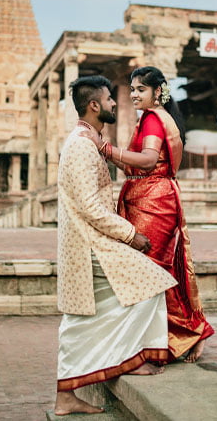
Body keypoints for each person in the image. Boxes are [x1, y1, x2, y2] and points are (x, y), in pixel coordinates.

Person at [55, 75, 177, 416]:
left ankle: (109, 368)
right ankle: (128, 360)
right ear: (94, 105)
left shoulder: (89, 141)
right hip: (89, 246)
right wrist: (131, 236)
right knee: (149, 284)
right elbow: (90, 207)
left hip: (92, 243)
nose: (115, 104)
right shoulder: (80, 145)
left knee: (106, 307)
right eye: (109, 99)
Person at [83, 67, 214, 364]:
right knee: (155, 272)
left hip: (154, 201)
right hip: (150, 196)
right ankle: (173, 335)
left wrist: (106, 148)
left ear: (158, 92)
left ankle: (182, 334)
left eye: (140, 89)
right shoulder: (153, 118)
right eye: (132, 89)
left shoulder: (155, 118)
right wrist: (105, 154)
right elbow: (137, 165)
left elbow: (149, 160)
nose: (133, 95)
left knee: (150, 272)